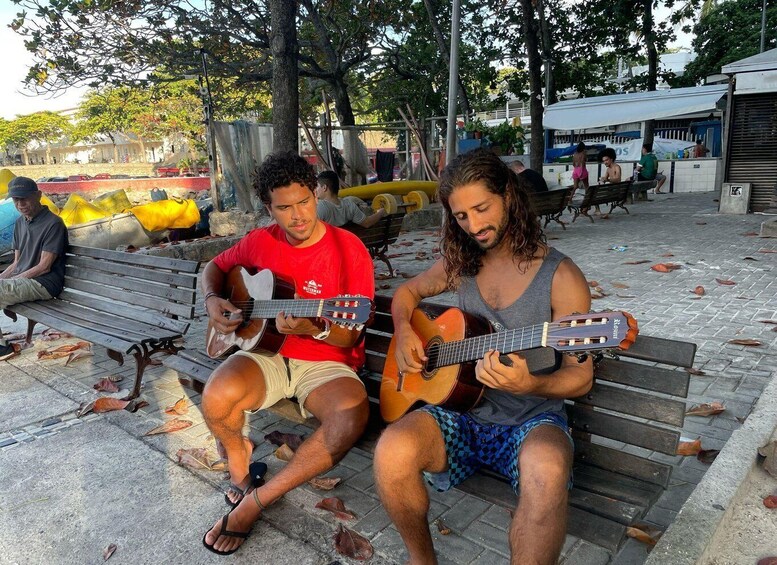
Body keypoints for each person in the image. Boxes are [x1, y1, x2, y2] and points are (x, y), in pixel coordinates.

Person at [373, 148, 594, 564]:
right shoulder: (461, 262)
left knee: (547, 470)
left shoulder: (561, 276)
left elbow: (580, 377)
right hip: (462, 413)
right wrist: (403, 332)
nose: (473, 226)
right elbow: (406, 292)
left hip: (532, 420)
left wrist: (532, 384)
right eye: (461, 216)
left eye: (481, 208)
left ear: (508, 196)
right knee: (391, 451)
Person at [201, 151, 374, 555]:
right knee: (215, 396)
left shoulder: (348, 249)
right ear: (268, 208)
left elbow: (351, 337)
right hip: (267, 354)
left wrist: (316, 327)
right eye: (284, 208)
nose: (298, 216)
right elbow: (215, 267)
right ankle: (241, 472)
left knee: (350, 419)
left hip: (327, 362)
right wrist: (212, 299)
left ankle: (256, 502)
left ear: (316, 194)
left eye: (304, 201)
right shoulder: (259, 241)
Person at [0, 177, 67, 359]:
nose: (20, 204)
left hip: (44, 283)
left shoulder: (53, 223)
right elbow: (16, 263)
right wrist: (2, 279)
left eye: (25, 198)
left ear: (38, 195)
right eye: (16, 200)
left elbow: (44, 267)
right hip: (26, 280)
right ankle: (1, 346)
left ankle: (2, 348)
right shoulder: (20, 223)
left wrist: (11, 282)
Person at [316, 170, 387, 227]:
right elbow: (367, 223)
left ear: (324, 187)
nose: (315, 189)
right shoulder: (349, 205)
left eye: (317, 186)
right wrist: (381, 212)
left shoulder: (321, 206)